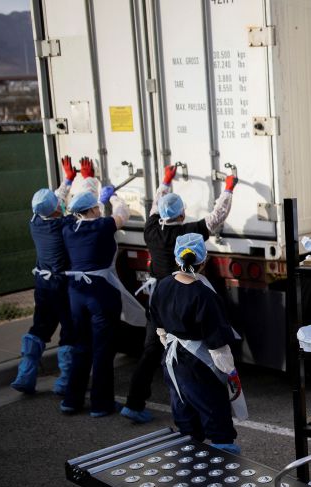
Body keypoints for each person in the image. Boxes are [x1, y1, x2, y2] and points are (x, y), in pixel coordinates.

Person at [120, 167, 237, 424]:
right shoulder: (187, 234)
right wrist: (228, 188)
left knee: (152, 349)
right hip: (183, 292)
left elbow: (154, 207)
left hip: (159, 297)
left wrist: (165, 181)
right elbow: (216, 217)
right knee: (196, 346)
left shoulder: (150, 229)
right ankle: (208, 398)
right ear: (182, 214)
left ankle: (134, 402)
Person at [61, 173, 145, 417]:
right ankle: (100, 404)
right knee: (102, 350)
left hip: (75, 293)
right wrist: (114, 198)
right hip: (100, 293)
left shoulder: (68, 227)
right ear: (92, 210)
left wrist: (97, 196)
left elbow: (72, 211)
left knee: (81, 346)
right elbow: (123, 216)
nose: (100, 209)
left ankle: (71, 400)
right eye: (97, 207)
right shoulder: (101, 226)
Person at [150, 233, 242, 454]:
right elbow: (217, 343)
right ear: (204, 260)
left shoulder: (163, 285)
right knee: (215, 416)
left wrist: (168, 343)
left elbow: (158, 324)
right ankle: (223, 466)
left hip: (172, 361)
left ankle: (190, 464)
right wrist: (230, 373)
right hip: (200, 367)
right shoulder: (204, 294)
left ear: (177, 258)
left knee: (184, 414)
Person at [10, 156, 84, 394]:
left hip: (42, 285)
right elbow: (82, 213)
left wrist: (68, 180)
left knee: (40, 327)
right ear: (55, 209)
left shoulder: (36, 222)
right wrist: (89, 182)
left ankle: (25, 375)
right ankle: (64, 382)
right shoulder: (64, 226)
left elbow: (52, 202)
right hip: (62, 286)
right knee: (69, 330)